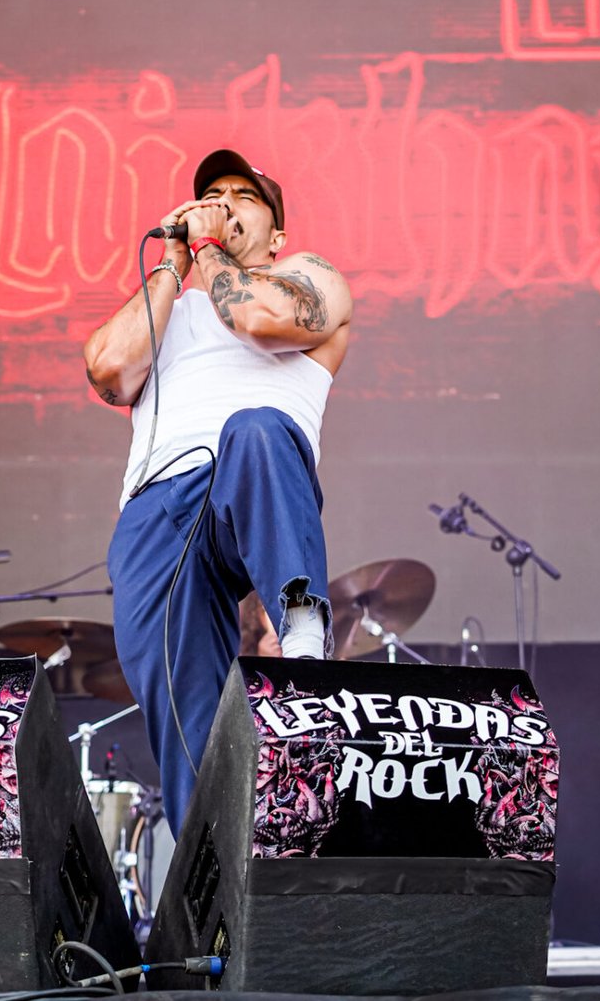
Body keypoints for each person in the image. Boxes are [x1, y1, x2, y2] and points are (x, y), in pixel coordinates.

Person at [82, 149, 352, 834]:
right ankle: (211, 874)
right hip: (158, 510)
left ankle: (301, 626)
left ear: (277, 233)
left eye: (244, 195)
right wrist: (173, 263)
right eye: (212, 194)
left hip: (249, 482)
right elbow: (109, 370)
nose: (224, 202)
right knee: (183, 718)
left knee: (254, 427)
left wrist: (207, 247)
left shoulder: (309, 276)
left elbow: (260, 322)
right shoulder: (170, 309)